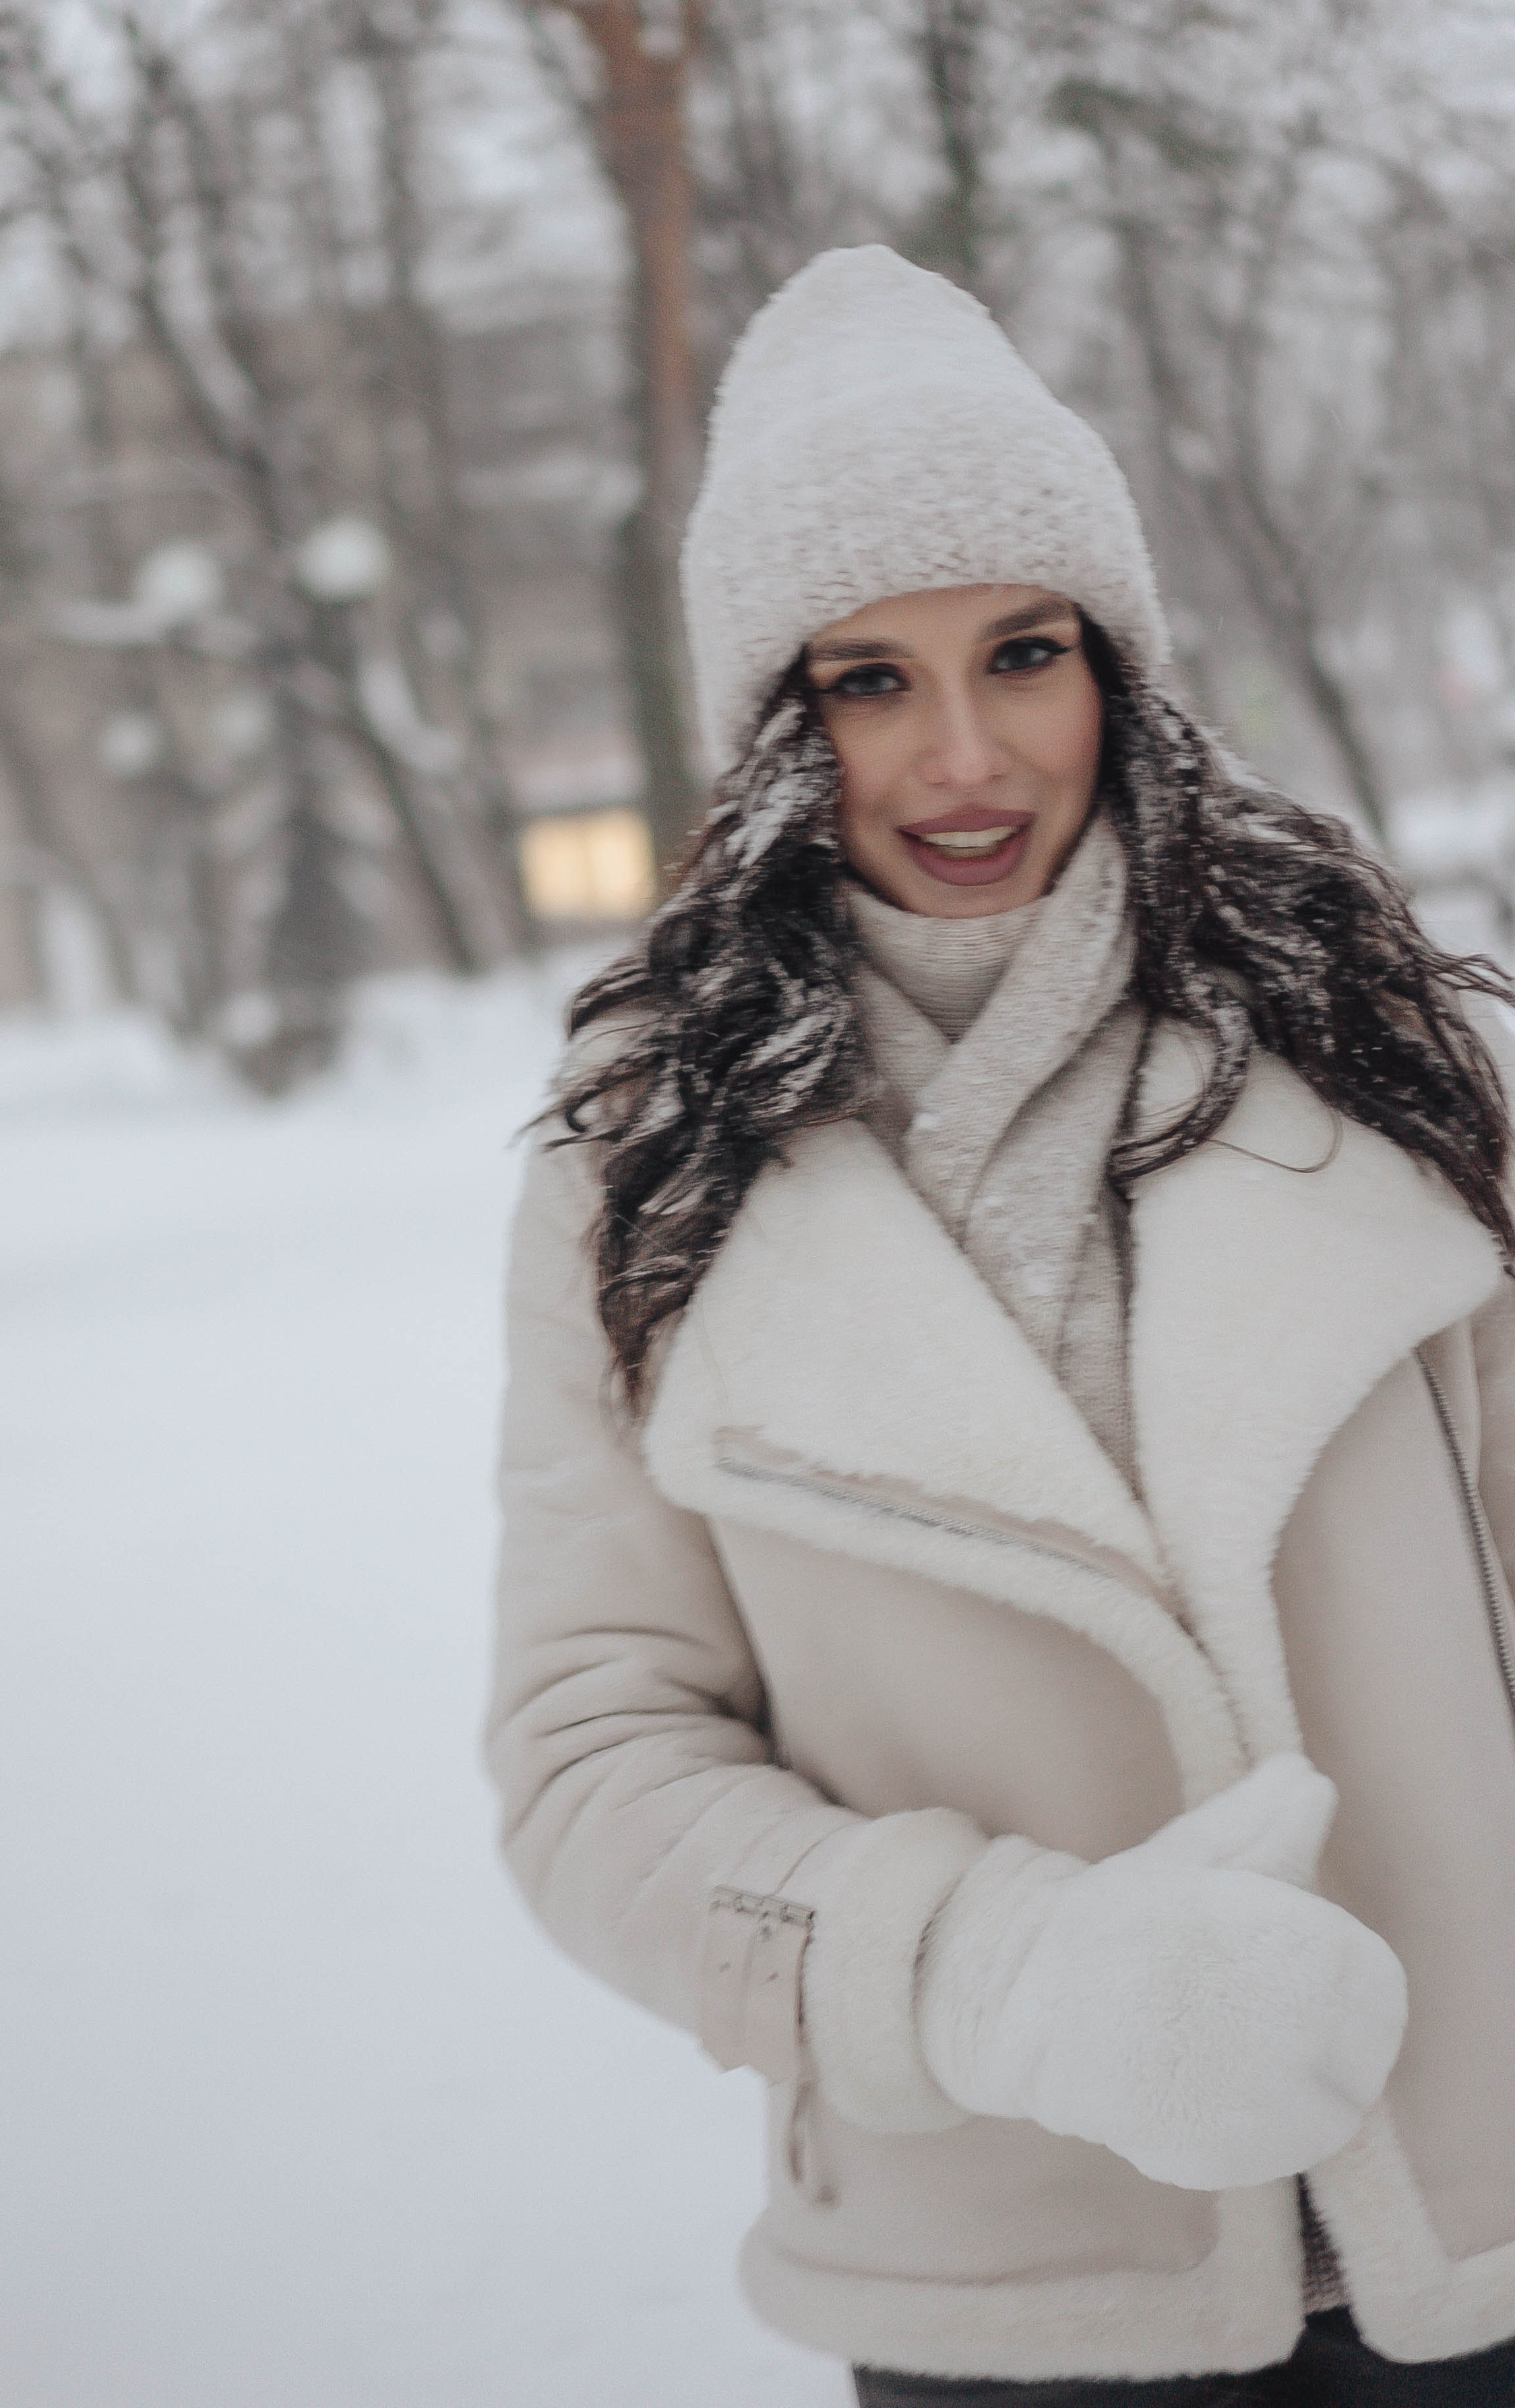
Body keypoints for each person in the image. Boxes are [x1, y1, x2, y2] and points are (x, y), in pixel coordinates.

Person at [488, 247, 1515, 2403]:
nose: (961, 756)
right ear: (773, 723)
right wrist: (1000, 1976)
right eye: (865, 678)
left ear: (1118, 669)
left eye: (1022, 654)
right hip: (1014, 2287)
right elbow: (593, 1763)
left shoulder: (1391, 1061)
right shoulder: (643, 1168)